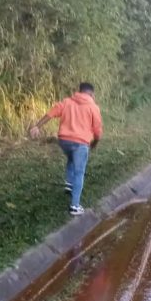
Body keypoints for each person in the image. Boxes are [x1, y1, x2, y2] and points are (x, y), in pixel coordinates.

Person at [29, 82, 102, 215]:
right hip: (80, 143)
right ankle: (74, 206)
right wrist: (94, 144)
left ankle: (69, 184)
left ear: (79, 91)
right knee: (80, 172)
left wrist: (37, 126)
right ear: (91, 94)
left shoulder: (67, 102)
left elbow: (51, 113)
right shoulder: (93, 107)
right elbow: (97, 131)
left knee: (71, 158)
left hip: (64, 141)